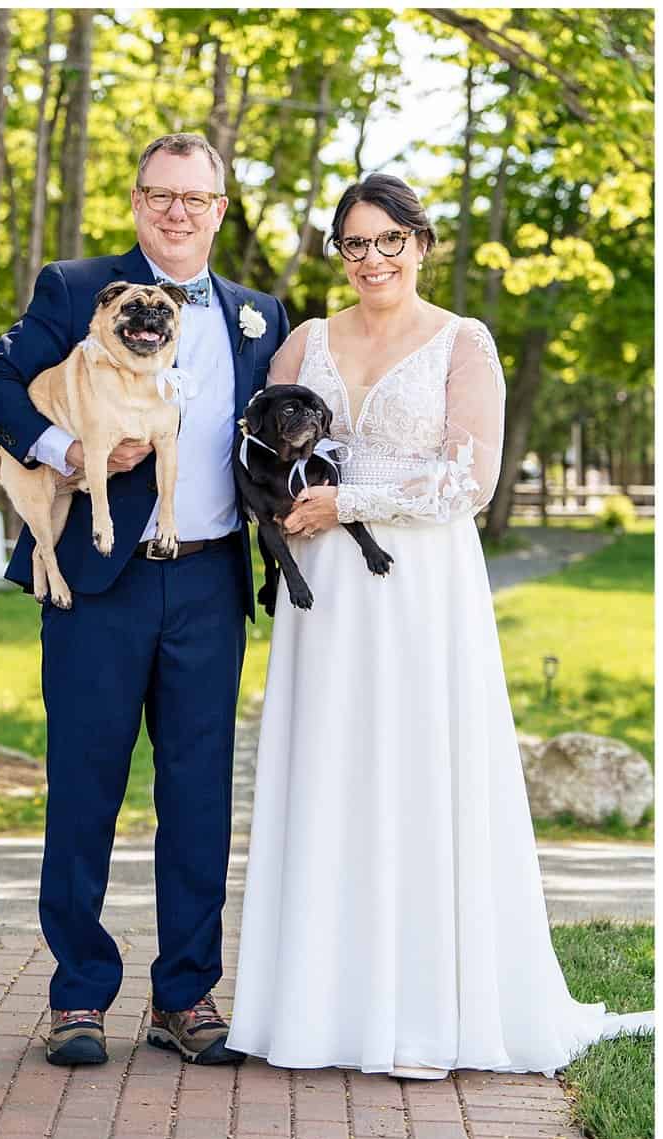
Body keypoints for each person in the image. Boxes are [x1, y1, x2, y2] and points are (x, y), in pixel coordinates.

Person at [228, 174, 654, 1076]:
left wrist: (349, 500)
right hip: (326, 595)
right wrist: (290, 507)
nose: (371, 259)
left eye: (389, 241)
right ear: (338, 253)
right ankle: (317, 1007)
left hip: (420, 584)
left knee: (418, 769)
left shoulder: (465, 341)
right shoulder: (305, 340)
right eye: (354, 244)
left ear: (422, 244)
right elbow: (256, 444)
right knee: (330, 769)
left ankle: (425, 1006)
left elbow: (472, 480)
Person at [0, 132, 289, 1068]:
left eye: (196, 197)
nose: (177, 210)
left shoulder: (258, 315)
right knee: (87, 784)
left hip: (209, 581)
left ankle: (185, 995)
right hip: (96, 581)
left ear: (221, 210)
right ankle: (78, 996)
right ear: (138, 199)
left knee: (199, 797)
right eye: (160, 193)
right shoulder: (74, 288)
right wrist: (66, 452)